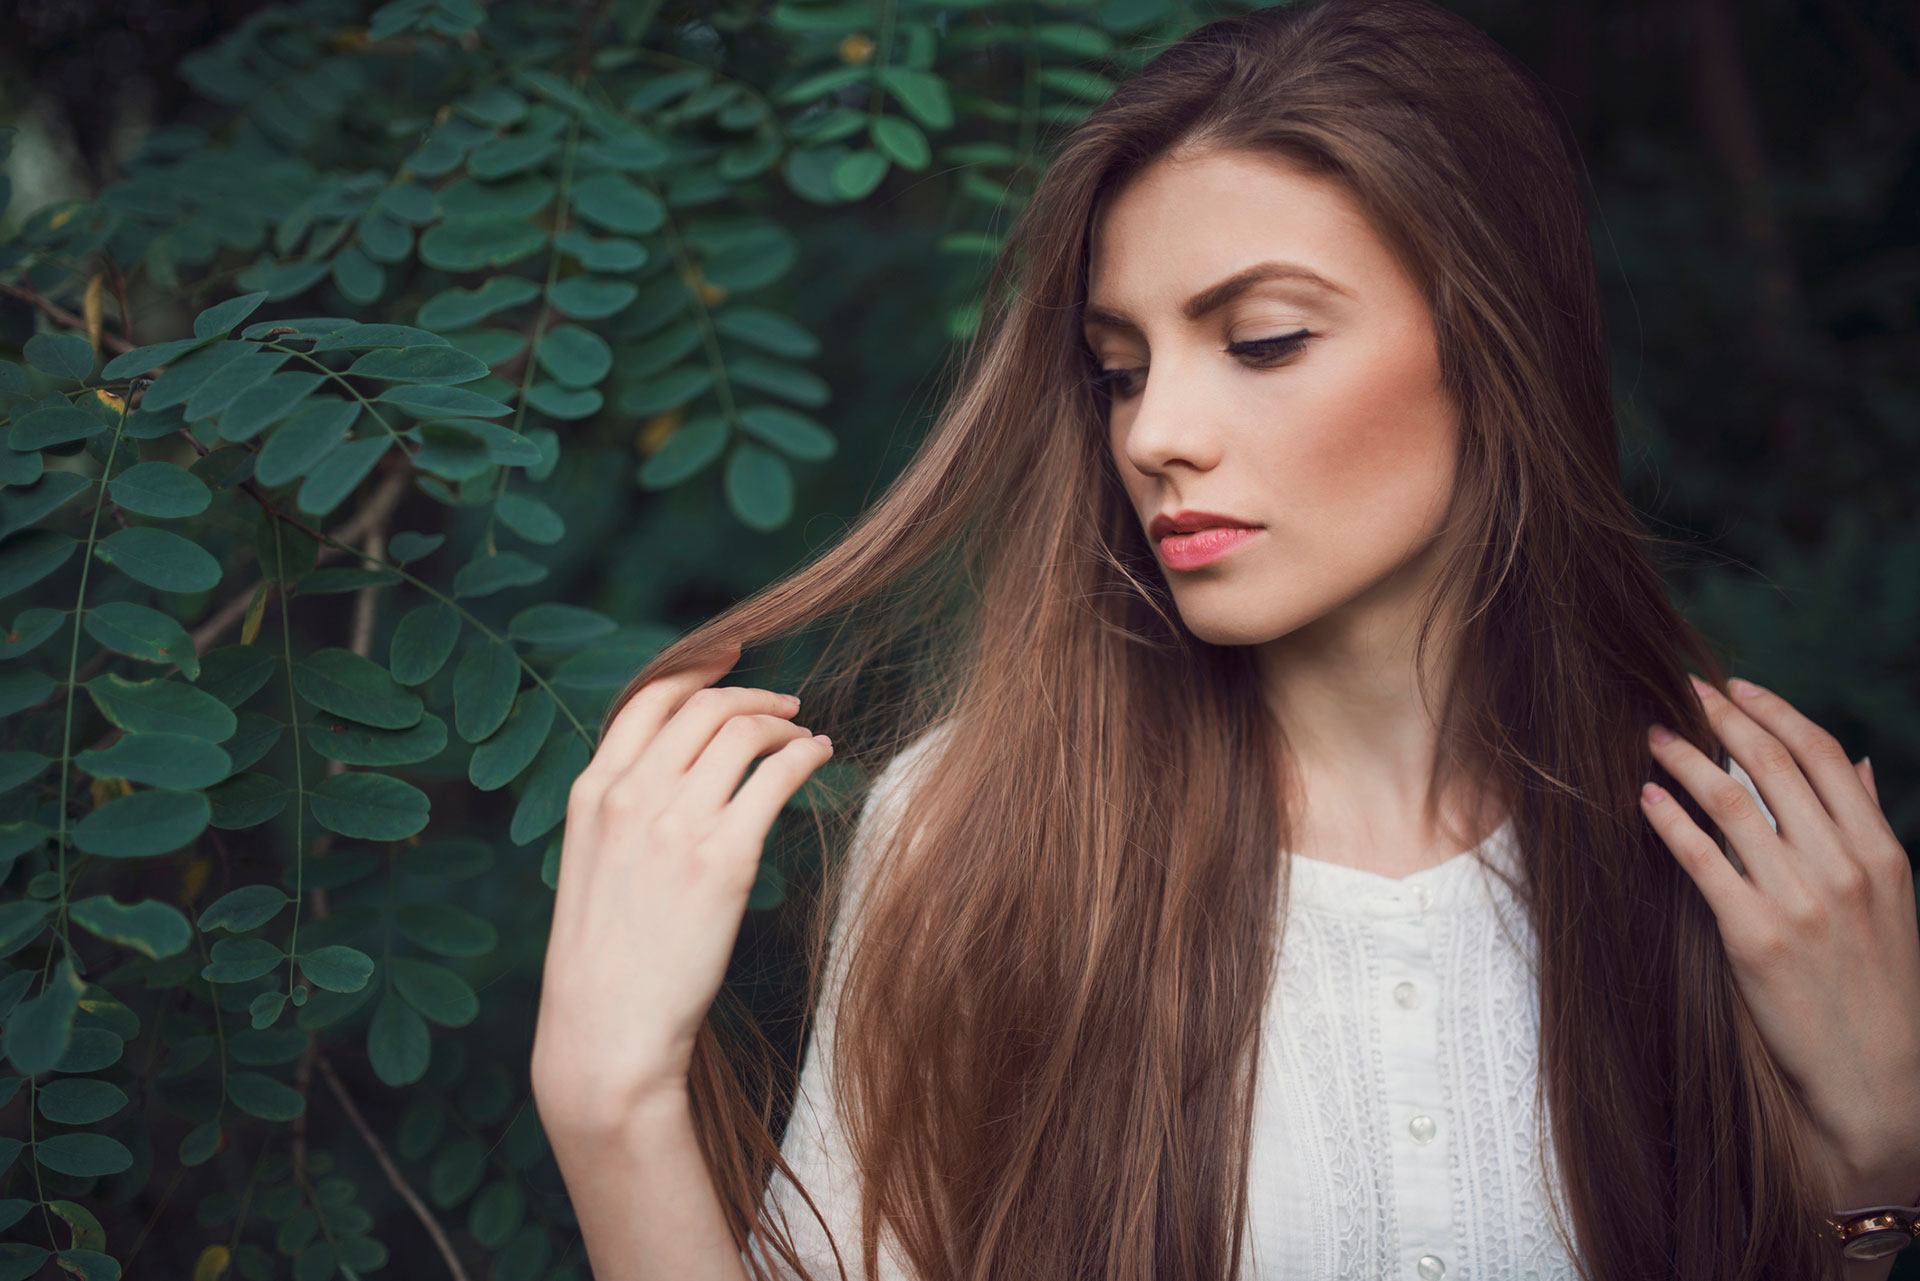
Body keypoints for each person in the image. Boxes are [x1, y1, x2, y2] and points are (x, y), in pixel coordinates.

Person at [528, 0, 1920, 1277]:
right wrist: (613, 1105)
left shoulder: (1731, 856)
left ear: (1496, 347)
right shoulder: (984, 833)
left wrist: (1873, 1170)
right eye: (1120, 369)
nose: (1154, 432)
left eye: (1260, 340)